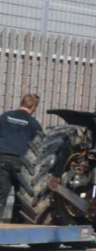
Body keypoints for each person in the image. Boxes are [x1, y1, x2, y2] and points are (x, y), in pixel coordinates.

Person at [0, 94, 42, 222]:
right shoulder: (33, 123)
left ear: (22, 103)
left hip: (2, 158)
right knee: (21, 196)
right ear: (34, 107)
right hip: (22, 162)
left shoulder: (5, 116)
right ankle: (16, 224)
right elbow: (39, 145)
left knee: (1, 192)